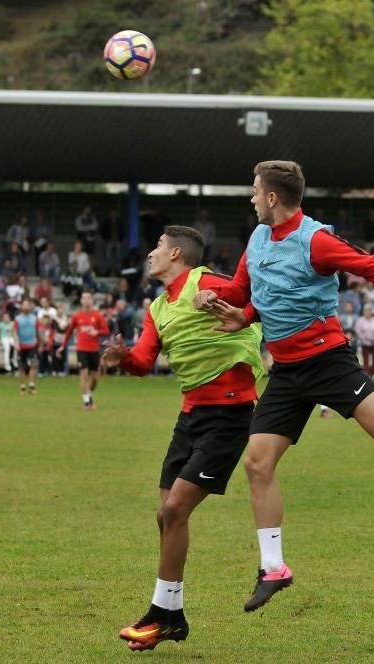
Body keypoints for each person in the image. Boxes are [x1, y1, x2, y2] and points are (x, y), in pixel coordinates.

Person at [192, 160, 374, 612]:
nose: (251, 197)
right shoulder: (257, 239)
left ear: (272, 197)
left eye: (255, 190)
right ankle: (274, 568)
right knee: (256, 463)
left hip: (327, 361)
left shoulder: (316, 240)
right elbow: (245, 290)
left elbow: (372, 267)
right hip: (287, 372)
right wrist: (213, 298)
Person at [103, 226, 264, 652]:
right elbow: (143, 360)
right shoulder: (157, 307)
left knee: (175, 509)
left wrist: (229, 305)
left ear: (176, 253)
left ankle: (159, 615)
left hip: (229, 415)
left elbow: (258, 300)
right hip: (190, 416)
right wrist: (124, 360)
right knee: (165, 516)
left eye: (157, 246)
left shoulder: (208, 283)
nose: (150, 253)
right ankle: (173, 617)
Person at [57, 292, 109, 409]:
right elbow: (69, 331)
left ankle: (89, 394)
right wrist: (63, 345)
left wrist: (97, 332)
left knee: (95, 377)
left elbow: (106, 331)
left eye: (88, 298)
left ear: (92, 301)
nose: (86, 300)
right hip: (81, 349)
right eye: (83, 298)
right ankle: (86, 402)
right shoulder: (77, 316)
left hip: (94, 350)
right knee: (84, 374)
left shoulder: (97, 316)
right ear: (81, 301)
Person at [13, 297, 40, 395]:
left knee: (34, 365)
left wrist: (39, 343)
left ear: (30, 306)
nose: (26, 306)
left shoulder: (34, 318)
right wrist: (16, 343)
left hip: (32, 345)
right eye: (24, 304)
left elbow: (37, 332)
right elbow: (15, 332)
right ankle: (22, 387)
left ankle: (32, 386)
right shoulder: (17, 319)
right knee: (22, 367)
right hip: (21, 346)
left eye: (27, 304)